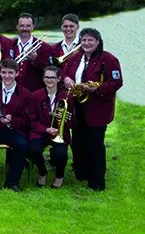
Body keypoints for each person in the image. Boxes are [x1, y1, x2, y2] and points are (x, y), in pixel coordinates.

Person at [61, 28, 122, 191]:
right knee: (78, 142)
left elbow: (116, 82)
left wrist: (97, 88)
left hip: (97, 108)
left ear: (98, 42)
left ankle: (97, 182)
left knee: (95, 144)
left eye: (90, 40)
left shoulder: (108, 59)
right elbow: (65, 72)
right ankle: (82, 173)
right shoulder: (76, 57)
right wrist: (66, 78)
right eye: (84, 40)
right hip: (78, 105)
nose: (86, 43)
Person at [0, 58, 30, 192]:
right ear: (0, 73)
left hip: (13, 129)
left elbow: (26, 120)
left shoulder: (25, 93)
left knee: (22, 144)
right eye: (4, 73)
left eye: (10, 73)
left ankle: (12, 182)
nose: (7, 76)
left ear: (17, 74)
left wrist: (11, 120)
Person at [28, 66, 72, 189]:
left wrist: (62, 123)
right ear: (43, 79)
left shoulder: (66, 97)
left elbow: (73, 120)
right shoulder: (35, 96)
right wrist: (45, 129)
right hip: (40, 132)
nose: (49, 80)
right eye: (47, 77)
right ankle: (42, 172)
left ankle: (59, 176)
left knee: (61, 154)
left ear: (59, 79)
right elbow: (31, 120)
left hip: (60, 132)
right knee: (34, 149)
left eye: (53, 77)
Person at [13, 13, 50, 92]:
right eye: (22, 26)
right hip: (13, 91)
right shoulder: (9, 44)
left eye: (28, 26)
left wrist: (36, 60)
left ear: (33, 27)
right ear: (17, 27)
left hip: (34, 92)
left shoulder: (44, 47)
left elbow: (50, 71)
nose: (25, 28)